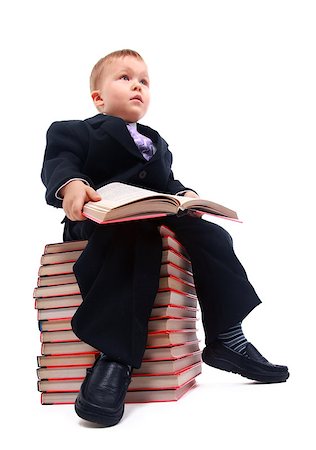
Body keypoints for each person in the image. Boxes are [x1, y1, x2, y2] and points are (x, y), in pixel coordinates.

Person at [41, 49, 289, 427]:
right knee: (136, 238)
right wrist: (71, 185)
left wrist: (186, 194)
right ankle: (115, 354)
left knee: (210, 236)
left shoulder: (156, 143)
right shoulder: (74, 130)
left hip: (148, 214)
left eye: (144, 80)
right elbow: (61, 163)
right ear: (99, 98)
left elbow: (165, 186)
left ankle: (227, 335)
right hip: (99, 220)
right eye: (125, 78)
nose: (137, 85)